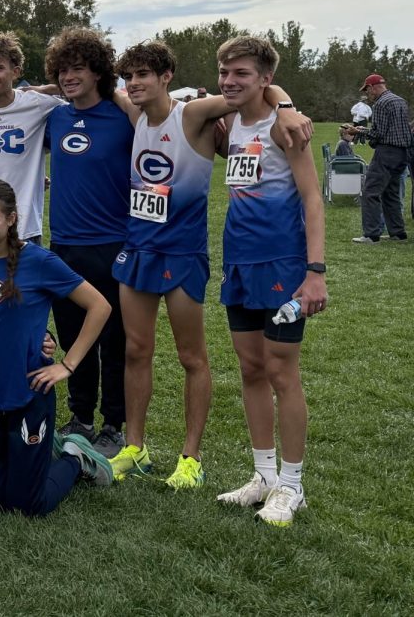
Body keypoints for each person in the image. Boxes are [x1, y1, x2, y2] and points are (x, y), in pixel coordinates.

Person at [108, 41, 308, 489]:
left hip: (183, 253)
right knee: (136, 351)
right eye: (128, 76)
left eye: (143, 75)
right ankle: (134, 447)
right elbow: (72, 85)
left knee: (191, 357)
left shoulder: (193, 113)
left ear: (166, 77)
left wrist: (289, 106)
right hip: (138, 250)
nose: (133, 84)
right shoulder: (132, 111)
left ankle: (191, 457)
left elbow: (257, 92)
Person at [214, 35, 328, 527]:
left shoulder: (289, 129)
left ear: (264, 78)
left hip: (284, 265)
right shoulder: (229, 120)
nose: (229, 81)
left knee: (283, 373)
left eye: (241, 73)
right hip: (239, 262)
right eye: (224, 72)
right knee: (251, 369)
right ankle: (263, 475)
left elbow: (312, 200)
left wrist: (316, 273)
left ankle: (293, 485)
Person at [0, 178, 114, 514]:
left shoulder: (40, 261)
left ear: (12, 219)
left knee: (29, 506)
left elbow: (100, 306)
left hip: (28, 393)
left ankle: (75, 458)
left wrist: (67, 364)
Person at [43, 27, 133, 456]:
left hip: (113, 244)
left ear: (98, 72)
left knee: (114, 339)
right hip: (64, 245)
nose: (68, 77)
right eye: (62, 71)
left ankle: (114, 422)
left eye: (77, 68)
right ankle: (80, 415)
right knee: (74, 334)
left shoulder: (125, 117)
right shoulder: (56, 117)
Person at [0, 32, 62, 248]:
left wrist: (44, 88)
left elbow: (79, 89)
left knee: (24, 283)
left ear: (15, 72)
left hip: (23, 225)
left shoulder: (37, 104)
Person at [346, 74, 411, 243]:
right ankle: (398, 233)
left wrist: (357, 131)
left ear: (372, 87)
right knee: (391, 193)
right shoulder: (400, 101)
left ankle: (371, 234)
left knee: (370, 191)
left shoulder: (381, 104)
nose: (368, 94)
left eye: (367, 90)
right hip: (403, 153)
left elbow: (378, 134)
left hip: (387, 152)